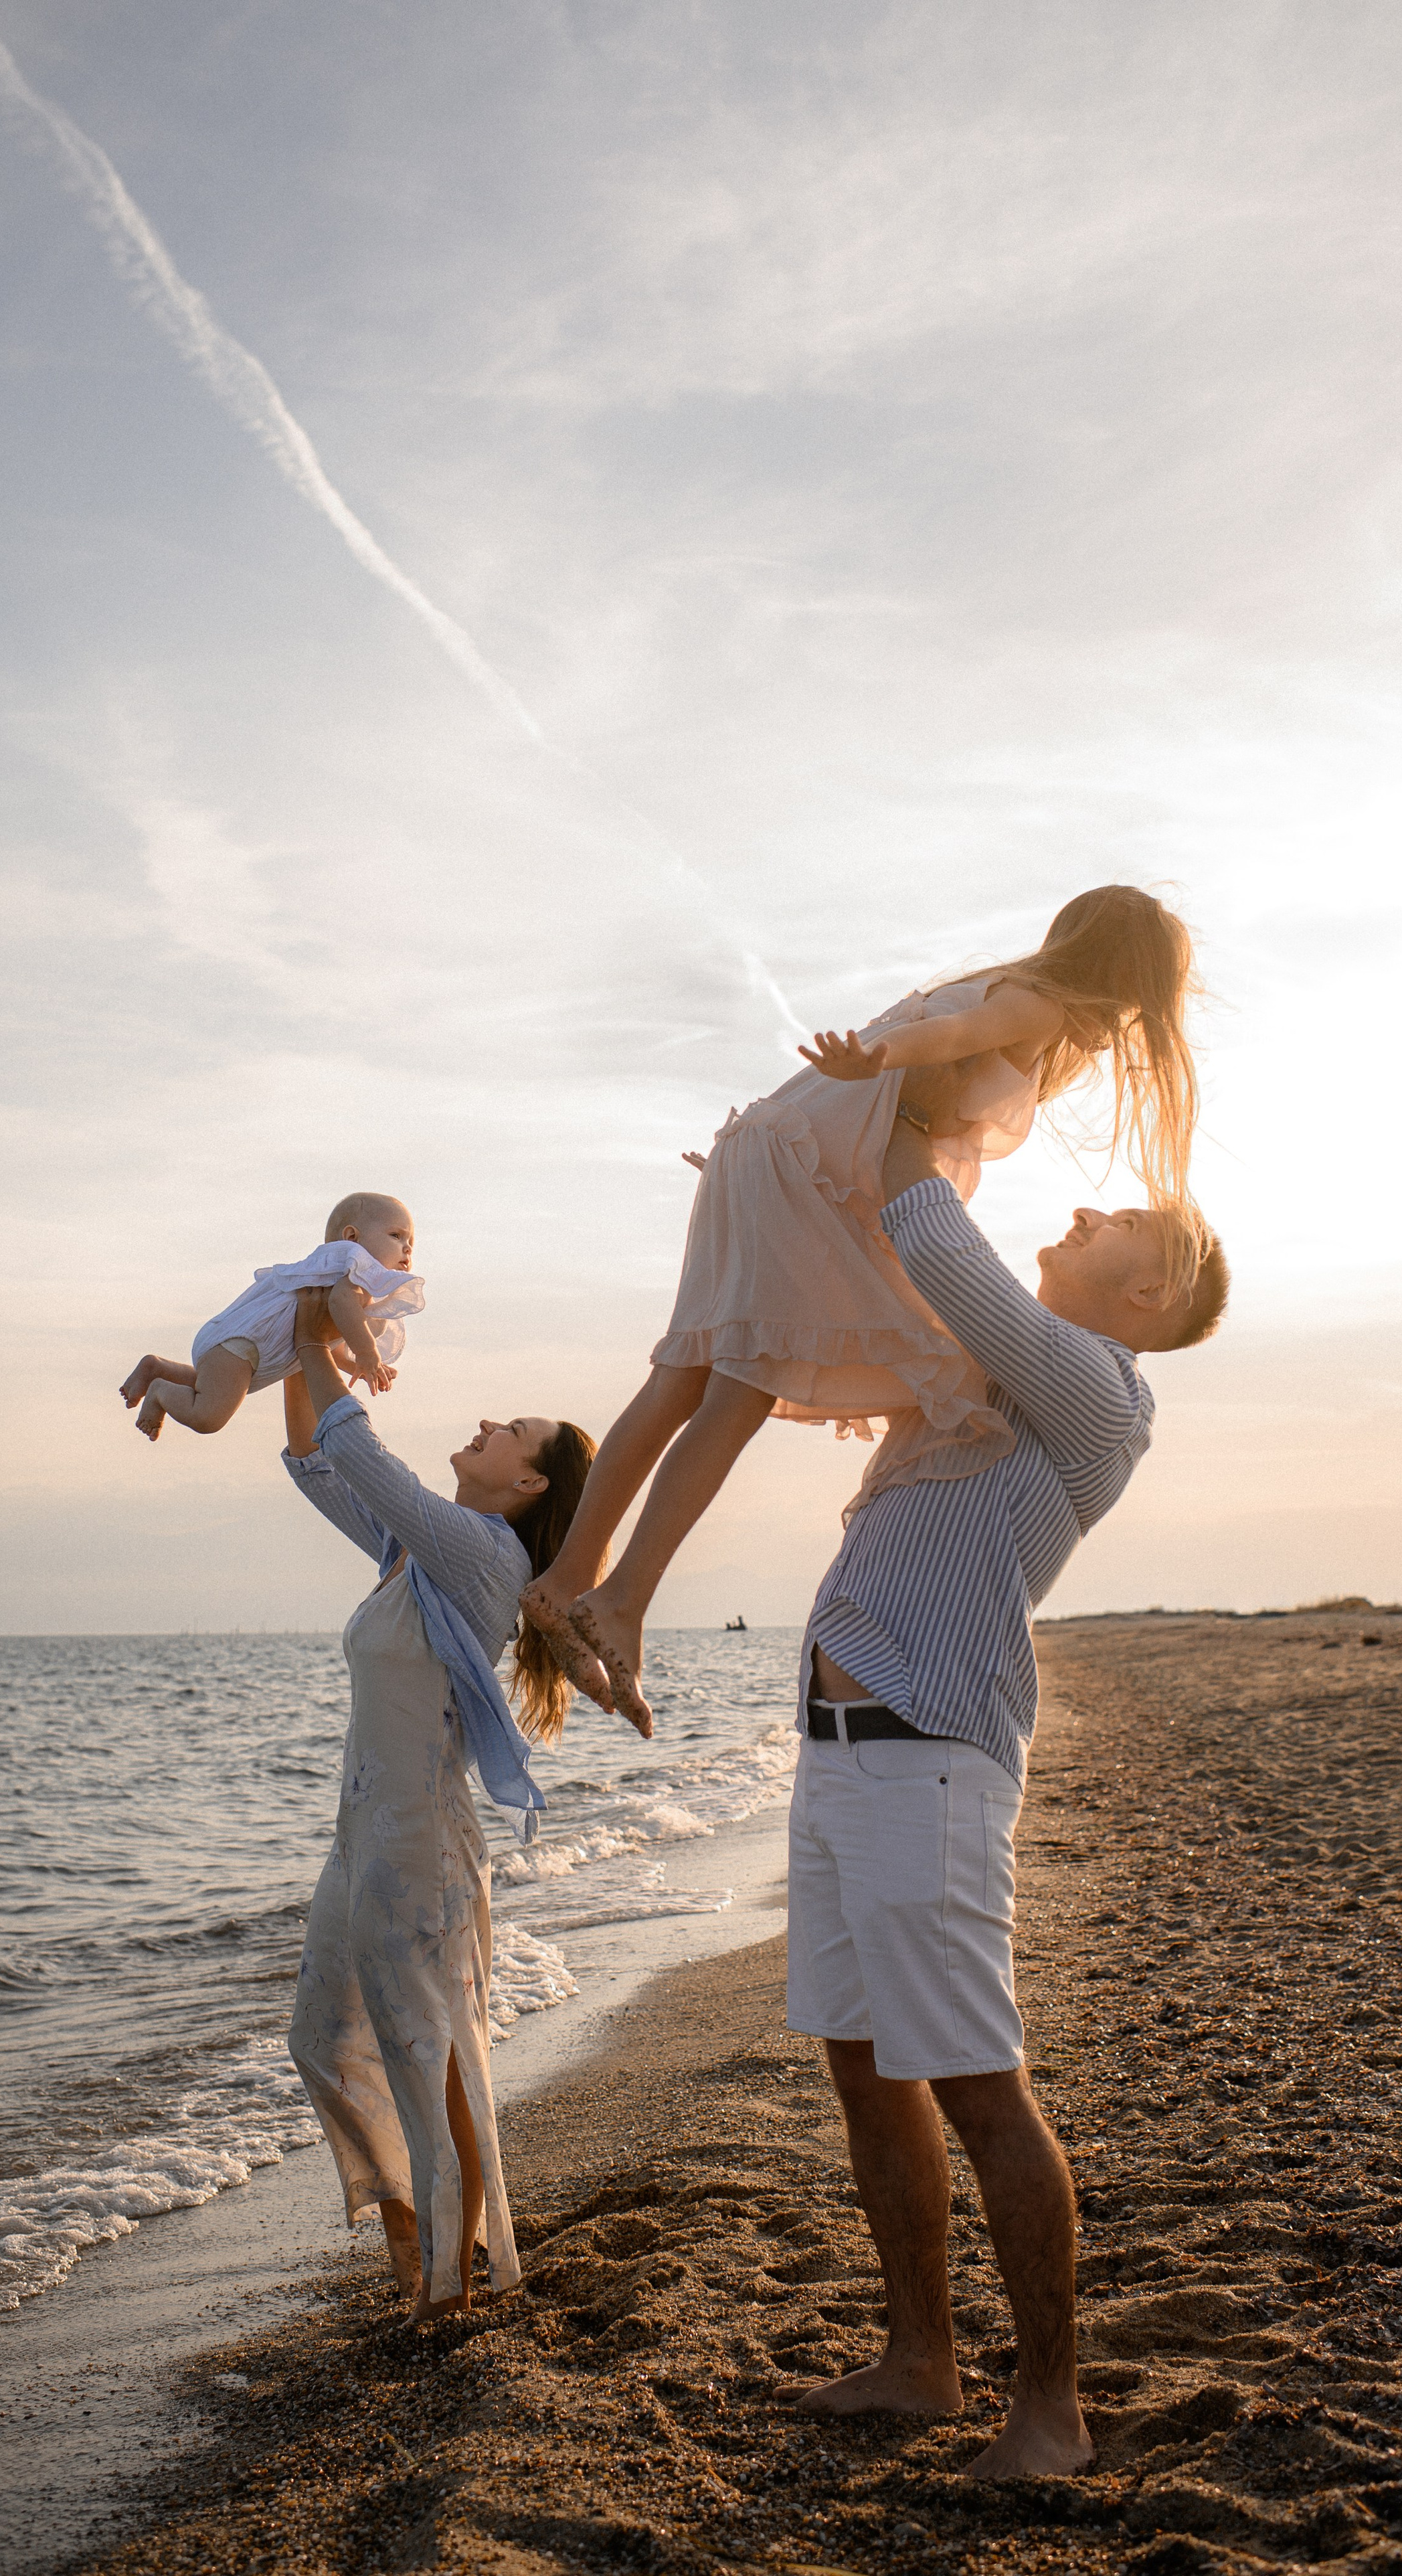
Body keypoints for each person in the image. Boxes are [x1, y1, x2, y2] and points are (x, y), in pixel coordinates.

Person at [786, 1069, 1228, 2474]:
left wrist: (899, 1086)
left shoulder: (1095, 1391)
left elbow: (930, 1235)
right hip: (840, 1763)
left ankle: (1050, 2408)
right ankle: (922, 2360)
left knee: (977, 2082)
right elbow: (874, 1273)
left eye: (1116, 1219)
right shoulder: (982, 1389)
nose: (1083, 1203)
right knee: (862, 2065)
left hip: (926, 1764)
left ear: (1145, 1294)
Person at [521, 885, 1204, 1730]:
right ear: (1112, 978)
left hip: (775, 1160)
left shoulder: (1014, 993)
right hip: (797, 1176)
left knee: (677, 1382)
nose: (1127, 1028)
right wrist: (876, 1058)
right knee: (738, 1395)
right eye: (1136, 1004)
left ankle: (567, 1575)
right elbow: (945, 1042)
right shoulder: (1035, 1005)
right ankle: (622, 1597)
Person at [281, 1291, 596, 2320]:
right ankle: (414, 2225)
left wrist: (317, 1317)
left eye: (510, 1431)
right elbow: (318, 1461)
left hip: (414, 1840)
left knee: (427, 2053)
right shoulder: (416, 1552)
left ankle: (444, 2284)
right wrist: (305, 1346)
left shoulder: (480, 1554)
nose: (486, 1426)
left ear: (527, 1483)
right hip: (363, 1831)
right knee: (324, 2036)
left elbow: (361, 1451)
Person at [120, 1191, 423, 1441]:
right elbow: (343, 1303)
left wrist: (355, 1364)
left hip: (240, 1348)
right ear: (352, 1237)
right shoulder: (352, 1267)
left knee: (211, 1389)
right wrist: (368, 1353)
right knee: (208, 1418)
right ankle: (159, 1392)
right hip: (245, 1343)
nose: (407, 1248)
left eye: (411, 1242)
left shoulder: (342, 1278)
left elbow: (332, 1342)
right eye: (396, 1236)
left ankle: (157, 1368)